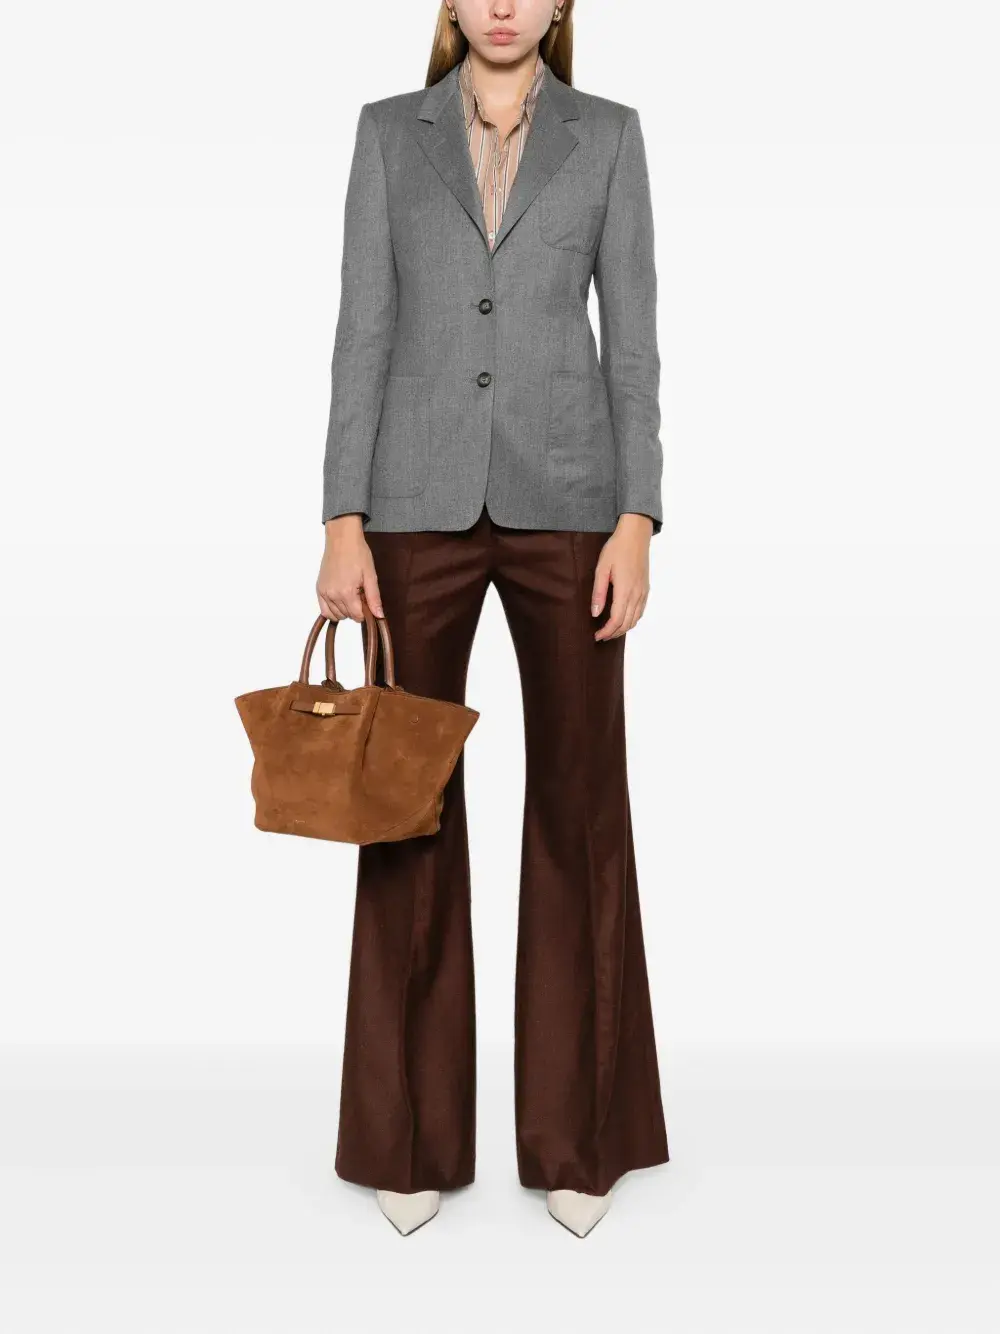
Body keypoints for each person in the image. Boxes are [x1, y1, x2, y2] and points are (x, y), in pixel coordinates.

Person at [316, 0, 668, 1238]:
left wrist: (637, 515)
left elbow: (633, 344)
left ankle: (581, 1136)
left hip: (569, 501)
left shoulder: (608, 135)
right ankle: (407, 1137)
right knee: (404, 809)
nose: (505, 4)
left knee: (580, 808)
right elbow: (363, 327)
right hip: (411, 504)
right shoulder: (387, 133)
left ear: (561, 3)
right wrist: (342, 517)